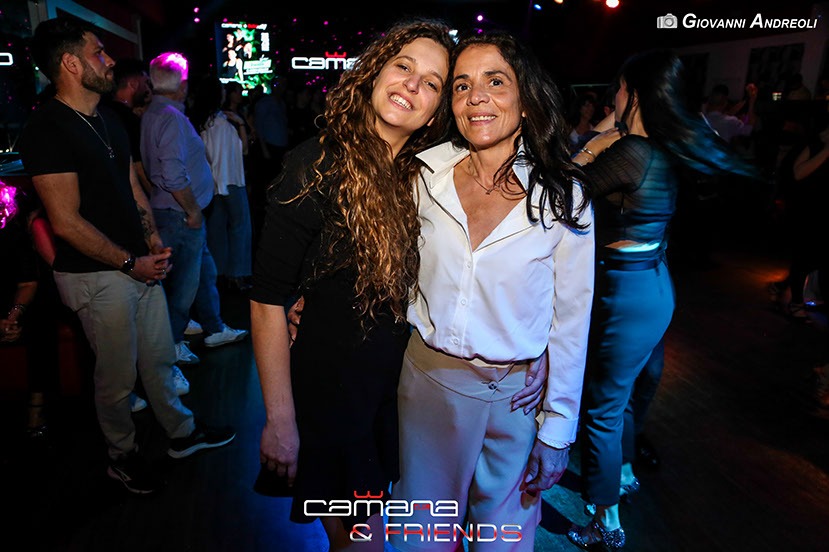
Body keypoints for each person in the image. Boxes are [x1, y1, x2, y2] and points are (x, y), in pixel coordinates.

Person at [250, 19, 459, 551]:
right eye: (403, 66)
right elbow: (267, 300)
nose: (412, 85)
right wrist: (279, 421)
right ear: (374, 71)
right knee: (362, 543)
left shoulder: (426, 176)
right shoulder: (315, 164)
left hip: (391, 388)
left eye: (432, 82)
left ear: (438, 109)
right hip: (331, 392)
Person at [389, 30, 594, 552]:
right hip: (428, 387)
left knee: (503, 539)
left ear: (525, 99)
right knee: (421, 537)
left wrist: (557, 428)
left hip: (516, 399)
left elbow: (571, 320)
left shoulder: (563, 197)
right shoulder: (423, 178)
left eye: (495, 81)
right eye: (461, 85)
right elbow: (383, 263)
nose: (476, 96)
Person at [19, 17, 236, 494]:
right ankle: (121, 456)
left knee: (158, 360)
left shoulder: (107, 118)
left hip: (136, 265)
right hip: (97, 275)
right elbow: (65, 221)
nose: (110, 60)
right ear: (70, 64)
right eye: (98, 52)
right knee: (117, 380)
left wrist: (152, 240)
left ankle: (181, 434)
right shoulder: (47, 129)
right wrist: (128, 262)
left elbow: (133, 186)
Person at [568, 49, 757, 550]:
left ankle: (606, 521)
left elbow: (562, 190)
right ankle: (626, 472)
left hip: (626, 294)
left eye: (619, 89)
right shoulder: (663, 149)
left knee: (602, 409)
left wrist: (596, 140)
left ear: (634, 94)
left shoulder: (632, 151)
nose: (613, 98)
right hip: (655, 285)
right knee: (629, 392)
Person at [141, 51, 249, 366]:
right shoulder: (171, 118)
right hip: (181, 215)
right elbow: (172, 174)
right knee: (184, 288)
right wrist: (193, 211)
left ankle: (214, 328)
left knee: (204, 273)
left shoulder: (154, 112)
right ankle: (172, 347)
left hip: (173, 212)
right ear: (182, 84)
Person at [190, 76, 253, 294]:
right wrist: (241, 123)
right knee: (240, 228)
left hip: (213, 184)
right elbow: (244, 150)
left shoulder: (202, 122)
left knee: (217, 230)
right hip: (232, 181)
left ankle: (218, 274)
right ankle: (237, 275)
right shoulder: (224, 121)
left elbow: (206, 155)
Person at [102, 58, 154, 197]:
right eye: (145, 83)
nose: (147, 89)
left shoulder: (104, 113)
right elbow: (138, 166)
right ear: (133, 84)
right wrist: (153, 195)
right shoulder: (129, 120)